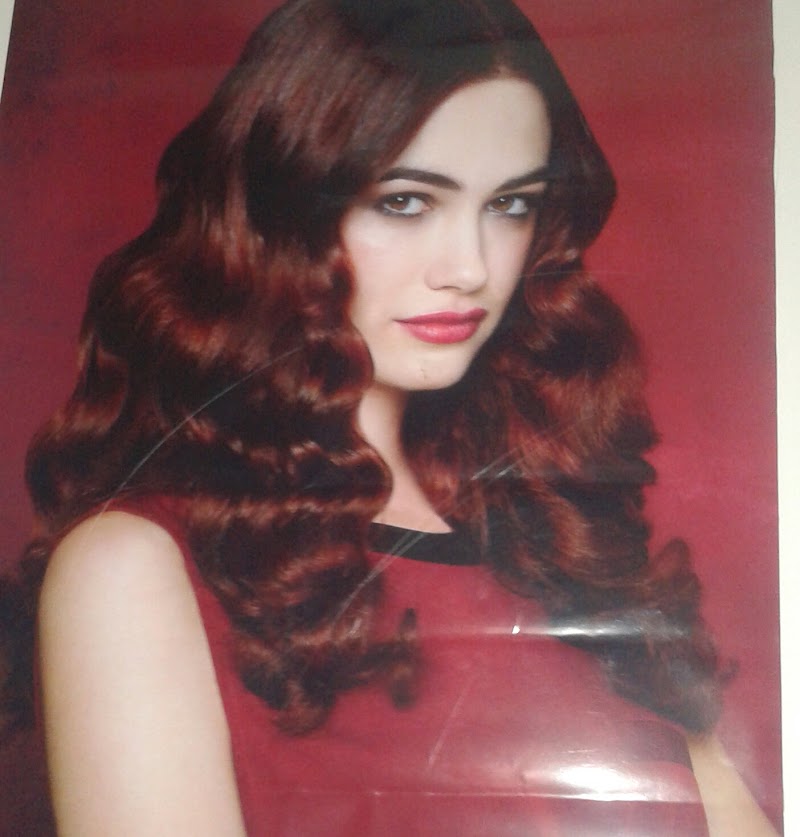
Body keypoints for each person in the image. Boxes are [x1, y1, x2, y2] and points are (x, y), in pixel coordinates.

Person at [0, 0, 778, 834]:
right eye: (406, 201)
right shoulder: (134, 567)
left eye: (510, 205)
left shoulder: (560, 543)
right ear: (283, 209)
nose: (469, 268)